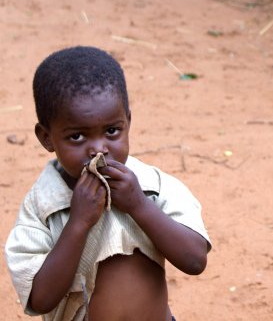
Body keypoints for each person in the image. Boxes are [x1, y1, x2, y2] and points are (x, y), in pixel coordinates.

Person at [5, 46, 212, 320]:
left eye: (112, 131)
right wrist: (78, 222)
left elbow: (195, 260)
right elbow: (40, 299)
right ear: (46, 138)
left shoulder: (155, 187)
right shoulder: (41, 208)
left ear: (128, 121)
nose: (98, 150)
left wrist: (139, 205)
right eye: (77, 137)